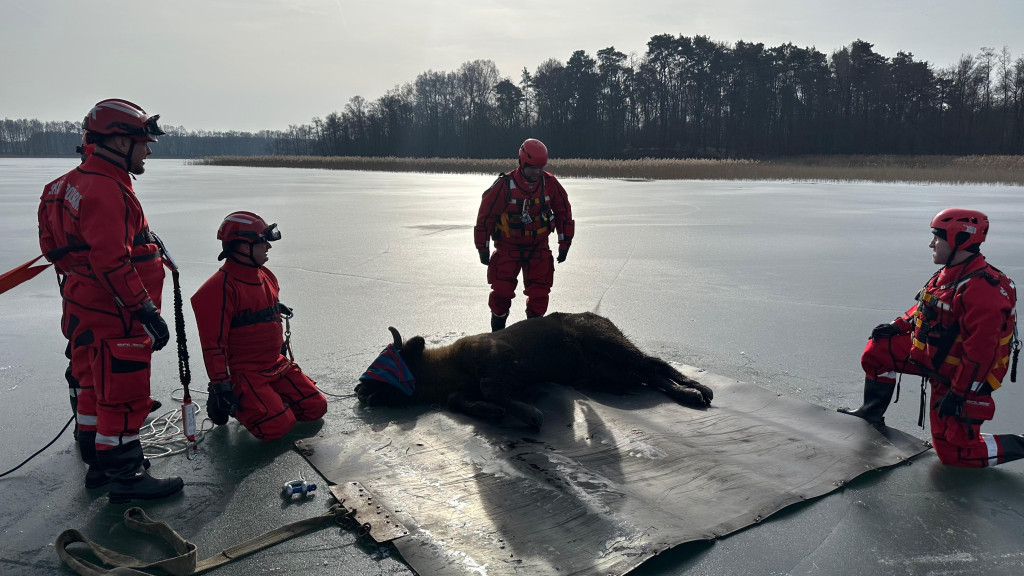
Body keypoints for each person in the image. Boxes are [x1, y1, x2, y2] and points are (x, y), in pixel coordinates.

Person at [37, 99, 183, 502]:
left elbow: (52, 248)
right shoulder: (107, 191)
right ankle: (126, 476)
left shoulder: (61, 186)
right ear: (120, 141)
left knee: (89, 383)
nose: (149, 150)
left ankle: (98, 463)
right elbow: (112, 260)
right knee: (122, 390)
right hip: (115, 310)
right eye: (143, 142)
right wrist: (145, 309)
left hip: (83, 305)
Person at [839, 208, 1021, 467]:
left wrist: (958, 395)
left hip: (963, 377)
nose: (931, 243)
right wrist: (897, 326)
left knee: (955, 455)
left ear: (960, 240)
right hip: (934, 357)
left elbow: (981, 356)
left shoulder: (983, 291)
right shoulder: (952, 273)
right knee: (879, 349)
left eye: (938, 237)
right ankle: (871, 413)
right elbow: (929, 307)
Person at [191, 212, 327, 441]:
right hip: (245, 372)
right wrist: (221, 386)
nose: (268, 247)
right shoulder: (217, 289)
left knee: (315, 408)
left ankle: (266, 400)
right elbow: (214, 346)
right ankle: (236, 403)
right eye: (262, 242)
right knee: (276, 426)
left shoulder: (266, 276)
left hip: (275, 364)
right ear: (243, 247)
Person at [474, 138, 575, 331]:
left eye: (541, 167)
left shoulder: (550, 184)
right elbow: (484, 218)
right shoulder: (504, 186)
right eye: (533, 168)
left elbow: (564, 215)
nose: (537, 172)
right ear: (522, 162)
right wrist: (482, 248)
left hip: (538, 248)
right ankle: (498, 332)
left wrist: (565, 244)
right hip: (507, 247)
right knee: (501, 292)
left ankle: (531, 334)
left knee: (540, 294)